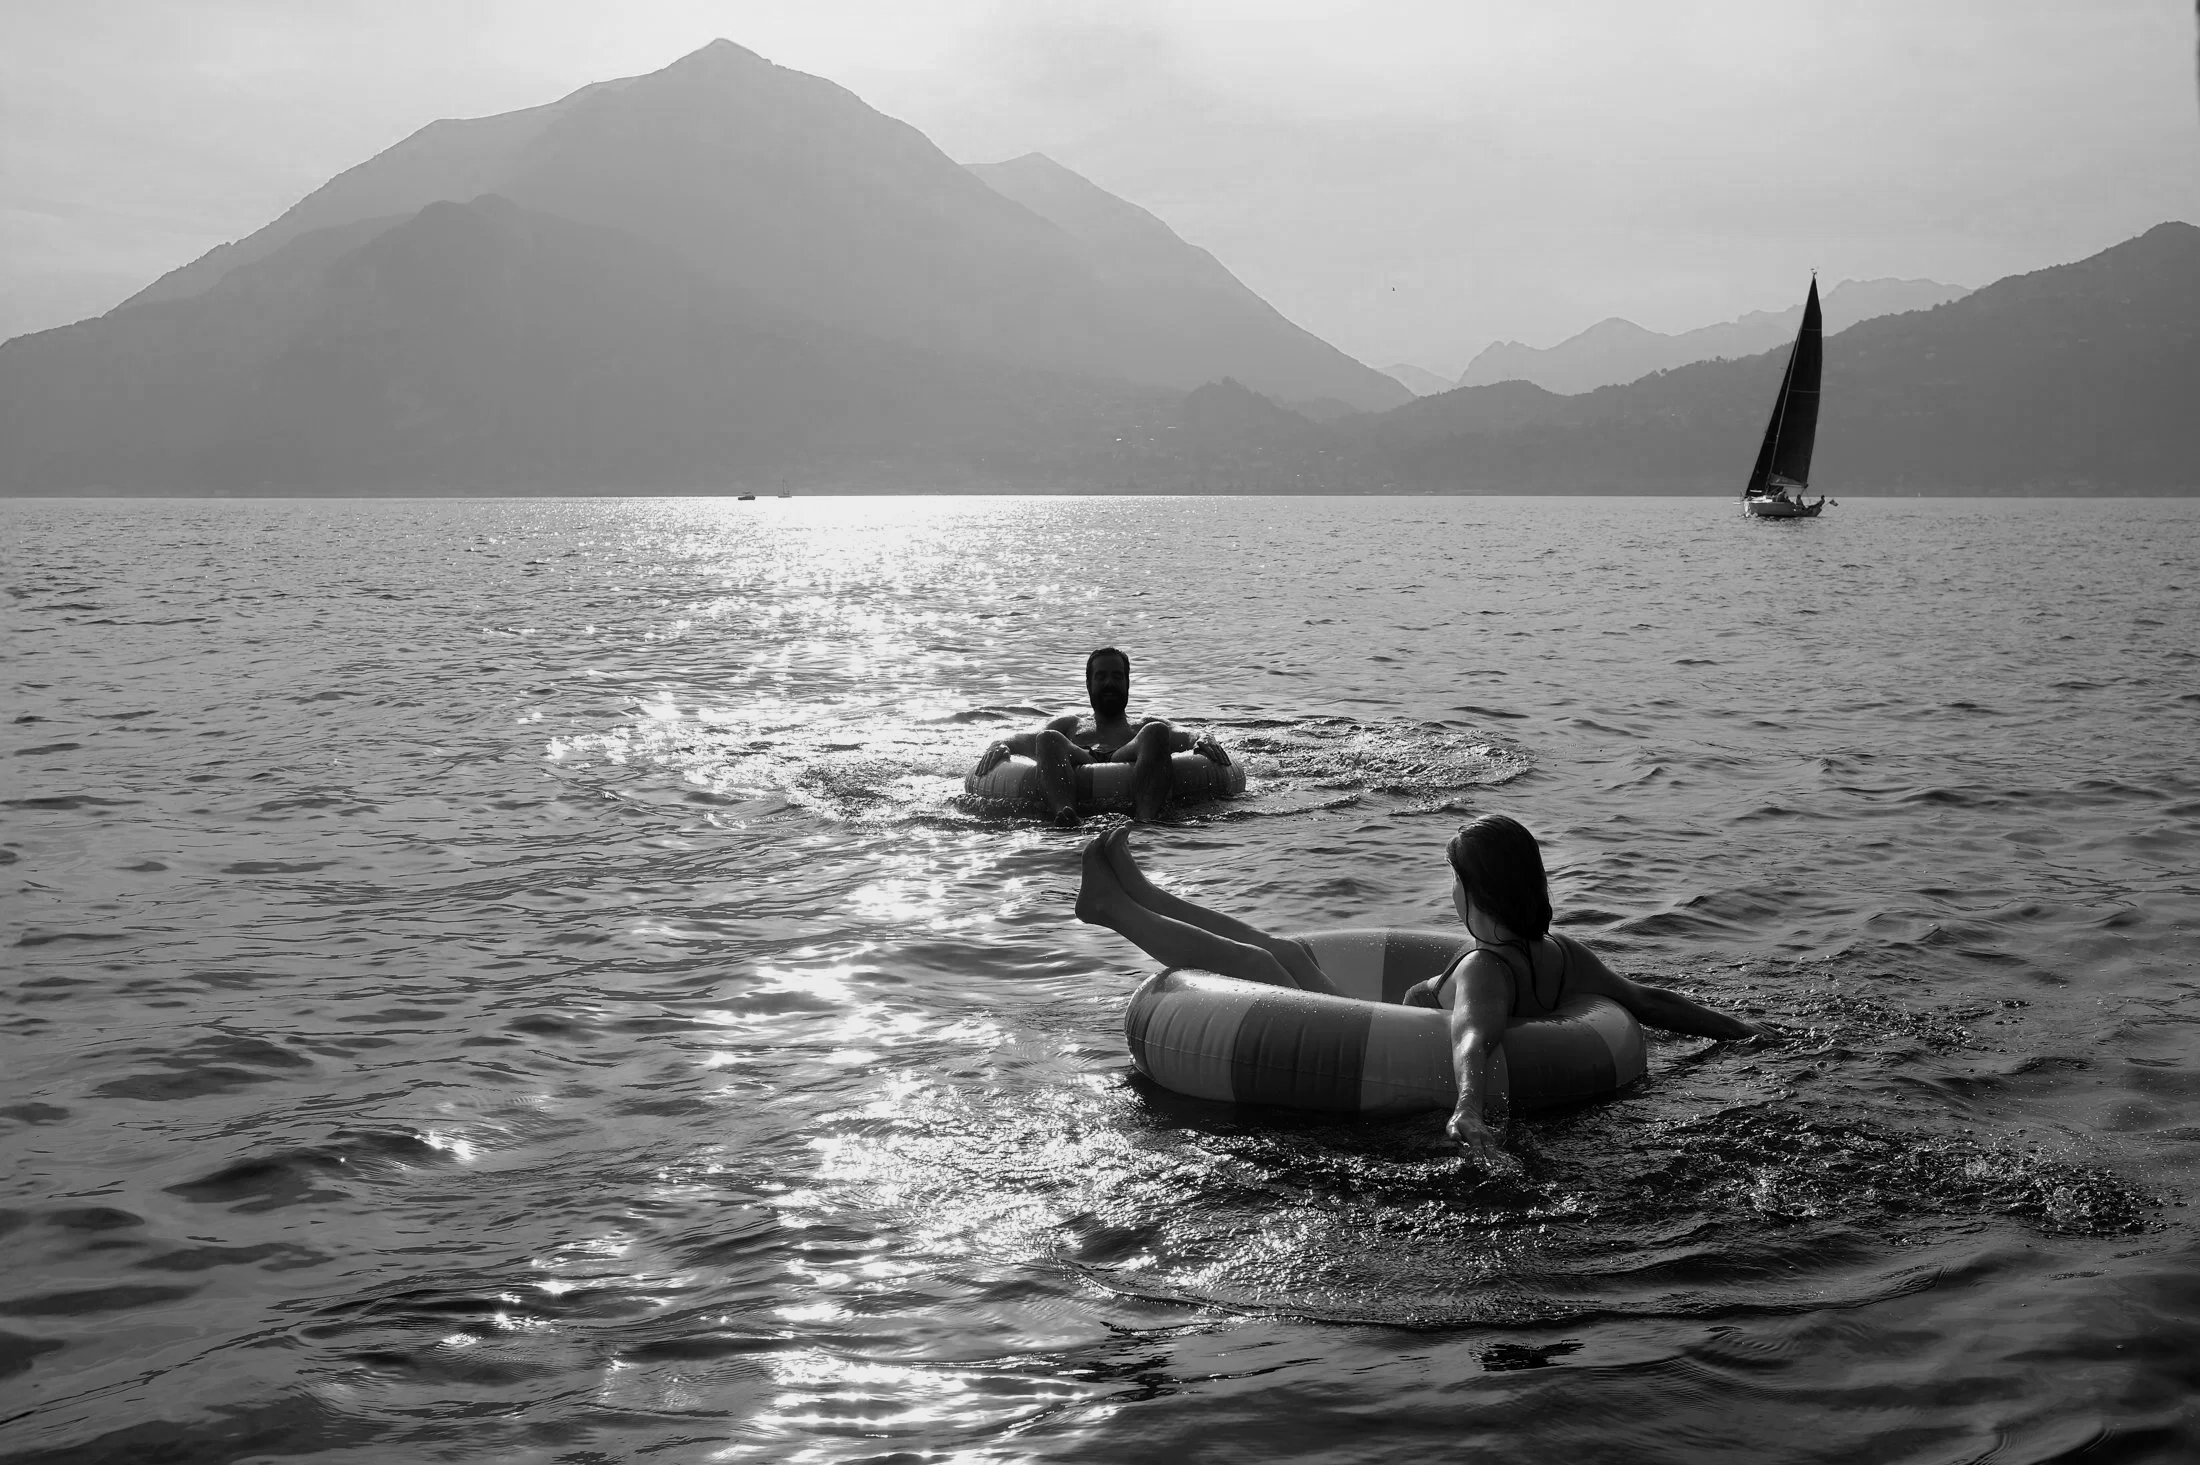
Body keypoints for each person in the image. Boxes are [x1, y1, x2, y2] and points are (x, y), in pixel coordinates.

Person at [1072, 814, 1774, 1168]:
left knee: (1267, 958)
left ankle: (1116, 907)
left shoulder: (1482, 970)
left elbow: (1473, 1033)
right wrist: (1739, 1031)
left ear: (1475, 893)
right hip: (1370, 1022)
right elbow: (1650, 1001)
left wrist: (1470, 1108)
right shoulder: (1561, 956)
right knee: (1276, 951)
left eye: (1456, 883)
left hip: (1360, 1037)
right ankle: (1135, 889)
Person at [972, 647, 1230, 825]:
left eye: (1117, 676)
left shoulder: (1143, 725)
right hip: (1081, 756)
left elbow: (1186, 734)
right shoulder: (1070, 724)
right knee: (1048, 737)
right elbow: (1025, 739)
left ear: (1127, 683)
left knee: (1155, 732)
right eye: (1101, 676)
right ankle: (1065, 814)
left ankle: (1146, 820)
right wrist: (1001, 744)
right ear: (1089, 684)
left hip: (1126, 752)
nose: (1109, 683)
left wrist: (1204, 737)